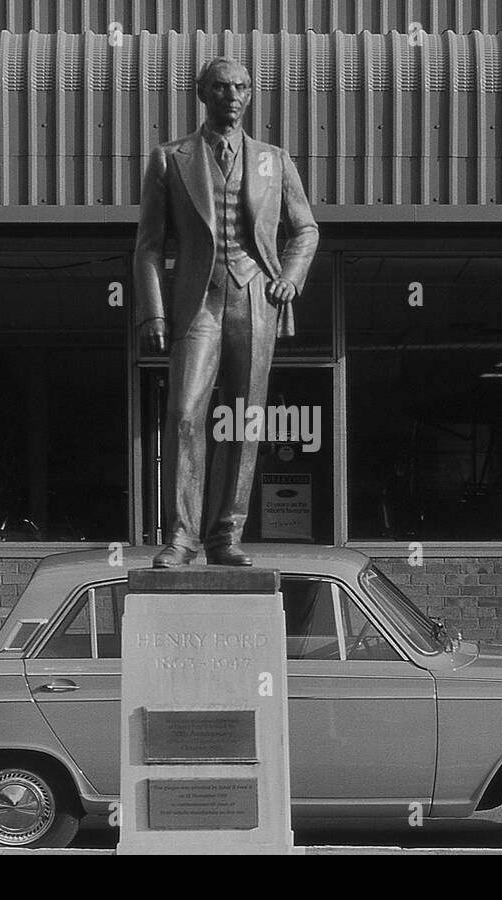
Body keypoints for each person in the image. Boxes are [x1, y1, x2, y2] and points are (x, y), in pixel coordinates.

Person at [134, 57, 319, 567]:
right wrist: (152, 313)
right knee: (183, 415)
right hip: (198, 301)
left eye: (240, 87)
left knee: (244, 419)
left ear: (252, 94)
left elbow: (306, 228)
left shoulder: (274, 160)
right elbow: (149, 245)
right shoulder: (170, 159)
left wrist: (291, 276)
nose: (231, 95)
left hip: (254, 298)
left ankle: (225, 535)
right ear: (202, 93)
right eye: (220, 87)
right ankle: (180, 536)